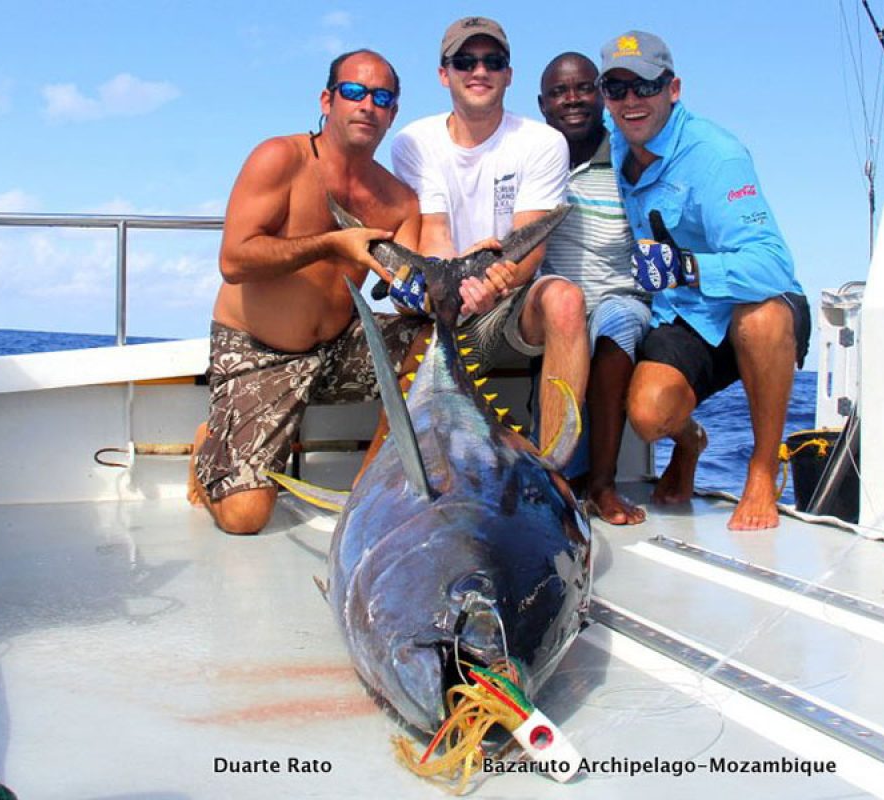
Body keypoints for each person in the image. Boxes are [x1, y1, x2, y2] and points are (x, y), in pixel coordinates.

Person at [187, 50, 425, 535]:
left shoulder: (400, 200)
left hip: (338, 350)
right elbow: (234, 260)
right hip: (259, 353)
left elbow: (409, 294)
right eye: (354, 92)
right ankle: (209, 447)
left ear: (393, 113)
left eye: (381, 98)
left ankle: (371, 488)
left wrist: (468, 272)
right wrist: (331, 244)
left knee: (433, 340)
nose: (367, 106)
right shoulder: (280, 158)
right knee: (245, 519)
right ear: (327, 99)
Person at [599, 31, 812, 530]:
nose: (631, 100)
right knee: (649, 416)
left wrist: (688, 268)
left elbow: (774, 265)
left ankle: (761, 469)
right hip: (684, 315)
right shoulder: (613, 142)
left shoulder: (717, 156)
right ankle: (691, 441)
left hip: (746, 305)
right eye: (617, 87)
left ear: (673, 89)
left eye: (646, 86)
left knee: (761, 318)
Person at [390, 16, 587, 450]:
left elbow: (529, 250)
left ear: (508, 75)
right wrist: (457, 287)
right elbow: (434, 234)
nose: (479, 71)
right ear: (444, 74)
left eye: (492, 61)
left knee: (567, 302)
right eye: (465, 61)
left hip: (508, 296)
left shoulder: (543, 142)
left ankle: (552, 469)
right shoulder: (412, 142)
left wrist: (495, 282)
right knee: (412, 338)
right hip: (442, 298)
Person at [536, 52, 650, 525]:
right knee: (566, 309)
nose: (573, 100)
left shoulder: (630, 157)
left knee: (615, 318)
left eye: (584, 88)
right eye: (560, 92)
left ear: (601, 96)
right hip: (558, 307)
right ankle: (556, 479)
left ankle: (602, 484)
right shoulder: (534, 159)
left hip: (621, 303)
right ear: (543, 104)